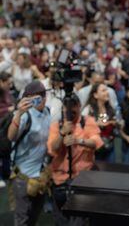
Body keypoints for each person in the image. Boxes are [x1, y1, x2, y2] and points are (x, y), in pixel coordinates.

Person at [48, 94, 103, 225]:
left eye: (73, 107)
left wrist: (79, 141)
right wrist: (62, 134)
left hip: (82, 180)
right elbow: (52, 149)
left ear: (79, 107)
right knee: (60, 220)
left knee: (79, 221)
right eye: (66, 108)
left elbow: (97, 142)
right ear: (62, 109)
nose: (69, 111)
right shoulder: (57, 125)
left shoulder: (87, 121)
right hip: (60, 180)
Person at [7, 81, 51, 226]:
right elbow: (11, 137)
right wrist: (18, 113)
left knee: (34, 216)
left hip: (41, 175)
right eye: (34, 97)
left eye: (42, 96)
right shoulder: (25, 115)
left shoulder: (47, 112)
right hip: (23, 176)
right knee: (22, 219)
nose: (40, 100)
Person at [83, 83, 118, 163]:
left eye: (107, 90)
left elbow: (105, 123)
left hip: (109, 146)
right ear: (95, 95)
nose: (107, 92)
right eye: (103, 90)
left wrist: (116, 124)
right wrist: (96, 124)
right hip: (94, 149)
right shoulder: (88, 109)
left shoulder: (109, 108)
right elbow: (81, 127)